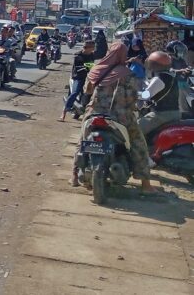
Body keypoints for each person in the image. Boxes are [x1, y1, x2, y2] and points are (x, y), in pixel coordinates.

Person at [77, 42, 156, 193]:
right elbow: (132, 97)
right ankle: (146, 185)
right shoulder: (127, 73)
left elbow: (87, 91)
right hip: (121, 117)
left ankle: (74, 176)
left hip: (94, 114)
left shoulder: (96, 69)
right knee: (138, 144)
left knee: (82, 141)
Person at [139, 51, 187, 138]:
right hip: (174, 113)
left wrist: (132, 94)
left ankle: (140, 151)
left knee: (134, 131)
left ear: (153, 65)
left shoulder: (159, 79)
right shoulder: (170, 75)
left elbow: (145, 95)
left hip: (161, 114)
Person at [61, 40, 97, 121]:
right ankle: (64, 111)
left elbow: (91, 66)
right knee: (75, 92)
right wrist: (90, 67)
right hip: (78, 77)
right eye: (93, 47)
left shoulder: (91, 55)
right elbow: (80, 68)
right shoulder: (78, 55)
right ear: (88, 48)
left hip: (88, 77)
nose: (94, 49)